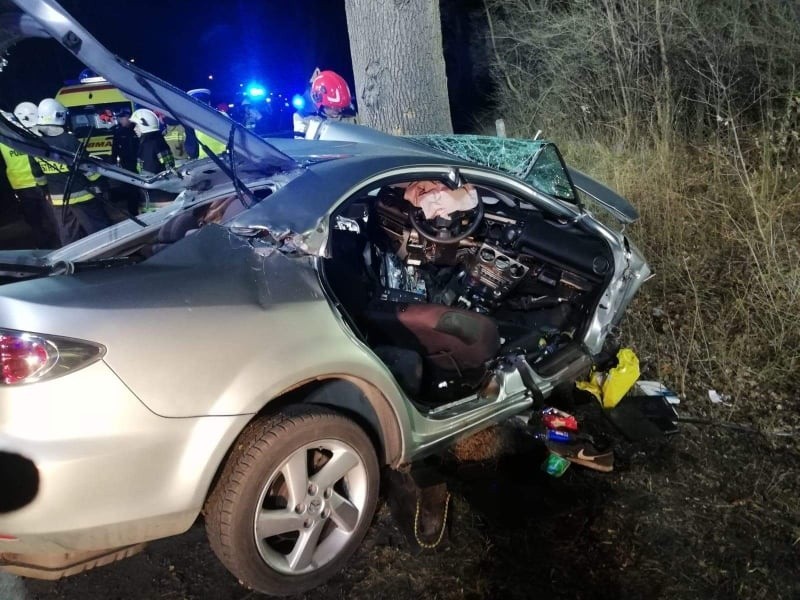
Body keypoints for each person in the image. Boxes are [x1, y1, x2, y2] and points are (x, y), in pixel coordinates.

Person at [34, 98, 112, 245]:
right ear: (59, 116)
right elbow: (87, 168)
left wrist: (44, 191)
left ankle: (74, 262)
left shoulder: (34, 143)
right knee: (99, 230)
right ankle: (111, 257)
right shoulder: (69, 140)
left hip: (58, 199)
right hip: (82, 196)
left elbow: (37, 173)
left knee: (69, 235)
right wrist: (100, 183)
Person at [0, 102, 60, 248]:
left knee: (34, 221)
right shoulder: (33, 135)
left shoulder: (4, 140)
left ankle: (43, 247)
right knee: (53, 217)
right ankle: (62, 244)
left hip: (21, 186)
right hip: (41, 183)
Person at [184, 88, 227, 159]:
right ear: (209, 102)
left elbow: (192, 151)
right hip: (228, 159)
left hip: (207, 163)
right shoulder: (223, 115)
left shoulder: (191, 121)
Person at [129, 108, 174, 174]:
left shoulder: (150, 143)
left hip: (156, 181)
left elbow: (150, 169)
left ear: (144, 125)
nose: (134, 129)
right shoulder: (153, 140)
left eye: (137, 125)